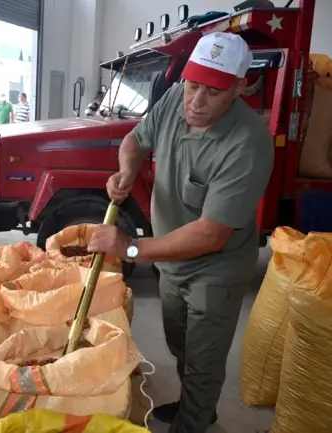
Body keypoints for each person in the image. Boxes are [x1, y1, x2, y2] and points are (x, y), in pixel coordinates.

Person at [87, 32, 274, 433]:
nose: (196, 101)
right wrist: (126, 170)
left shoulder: (249, 143)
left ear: (241, 87)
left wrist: (132, 248)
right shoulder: (176, 98)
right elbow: (135, 140)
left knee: (204, 357)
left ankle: (194, 421)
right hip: (169, 258)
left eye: (213, 92)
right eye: (192, 85)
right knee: (180, 344)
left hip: (215, 268)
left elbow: (210, 235)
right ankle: (195, 407)